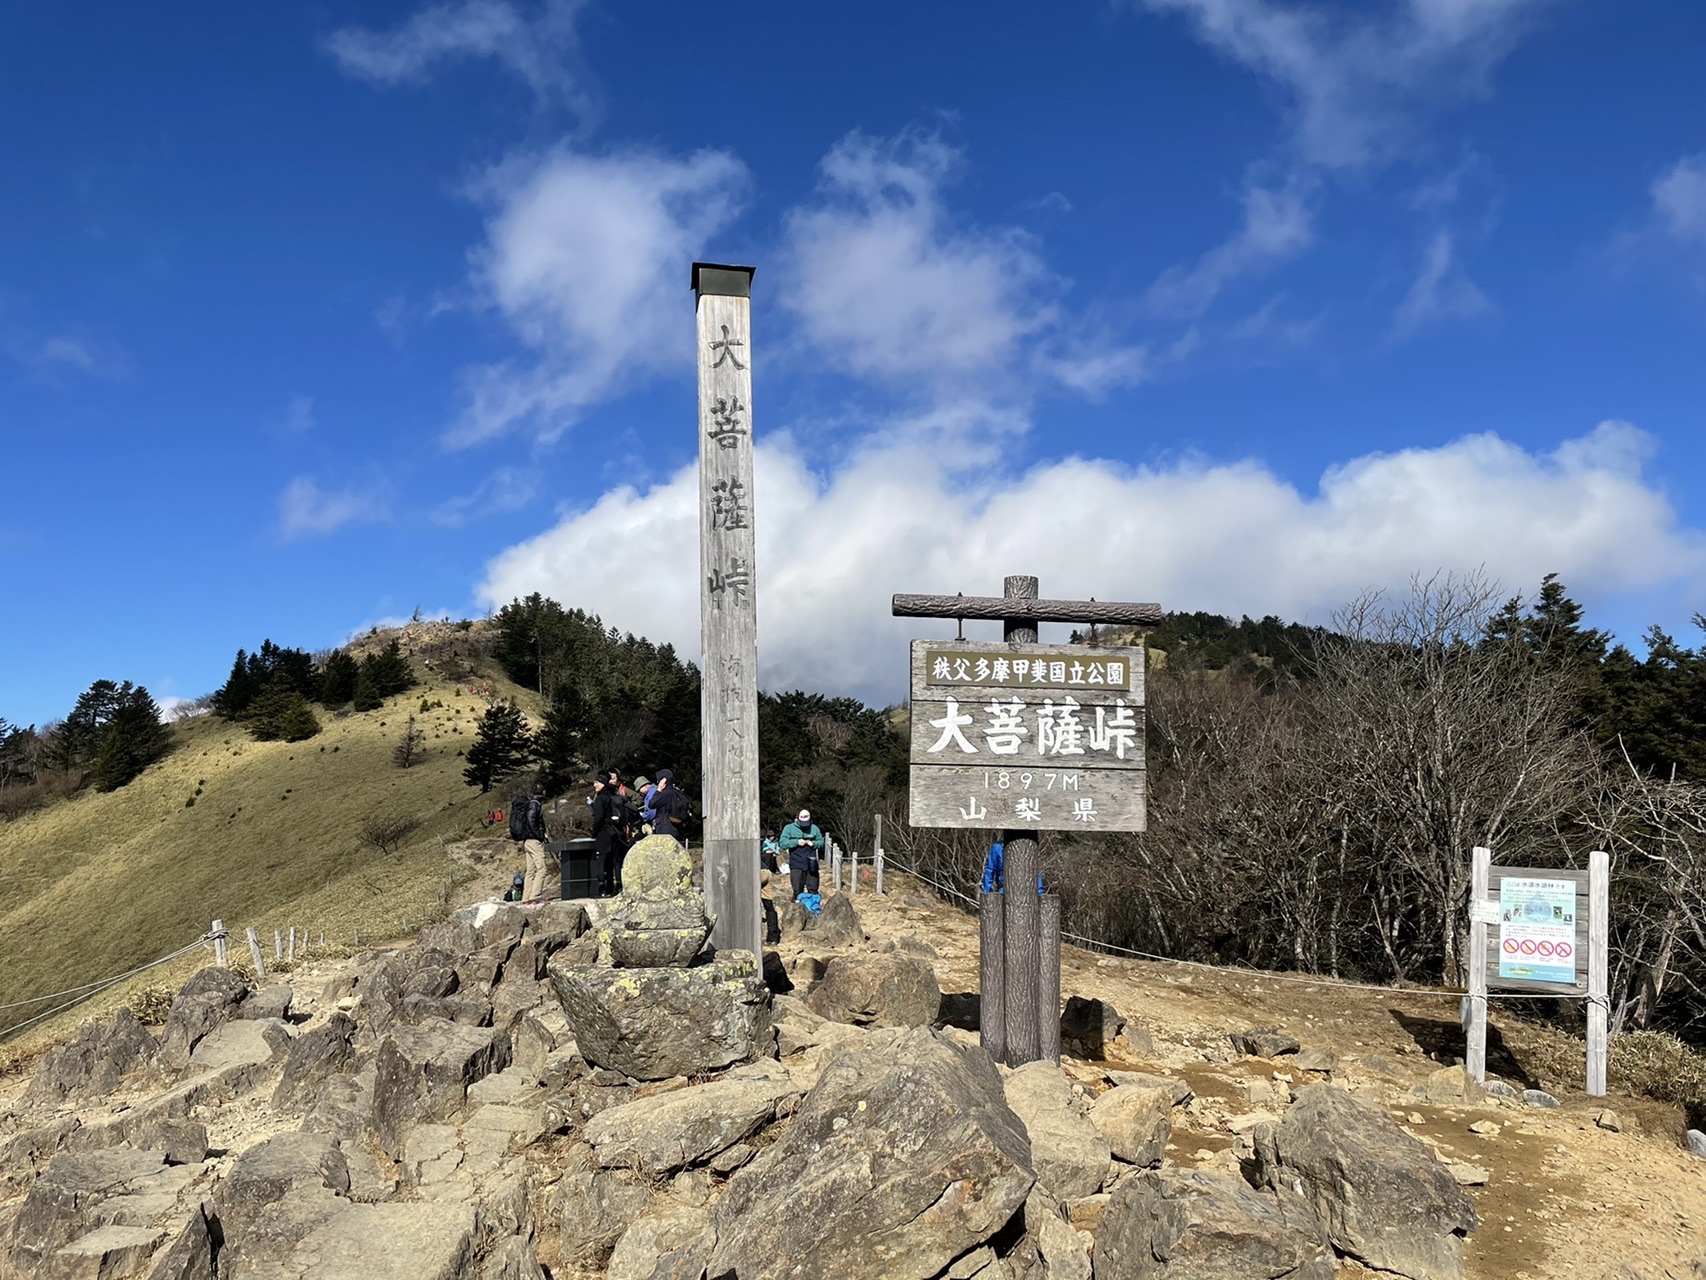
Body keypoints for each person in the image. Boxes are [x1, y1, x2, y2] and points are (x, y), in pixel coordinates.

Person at [589, 767, 634, 895]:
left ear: (602, 783)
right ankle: (617, 886)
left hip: (604, 832)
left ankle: (602, 887)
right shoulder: (614, 795)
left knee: (602, 860)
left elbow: (598, 818)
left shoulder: (600, 798)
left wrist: (594, 831)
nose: (594, 785)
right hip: (616, 832)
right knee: (615, 860)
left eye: (597, 782)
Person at [509, 786, 552, 902]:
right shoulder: (535, 804)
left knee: (530, 871)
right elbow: (531, 820)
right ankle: (535, 896)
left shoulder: (530, 803)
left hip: (527, 841)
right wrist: (540, 835)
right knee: (542, 869)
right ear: (543, 792)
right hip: (534, 841)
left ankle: (526, 897)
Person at [780, 809, 825, 901]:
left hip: (811, 863)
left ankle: (813, 909)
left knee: (813, 889)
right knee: (797, 890)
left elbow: (821, 842)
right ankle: (797, 909)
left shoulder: (814, 828)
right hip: (796, 863)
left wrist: (814, 843)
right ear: (797, 819)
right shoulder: (789, 828)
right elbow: (782, 843)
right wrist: (796, 842)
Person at [648, 768, 691, 845]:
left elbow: (652, 804)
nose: (657, 782)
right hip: (675, 829)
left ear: (664, 780)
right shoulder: (677, 792)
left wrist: (658, 790)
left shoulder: (665, 794)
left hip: (664, 829)